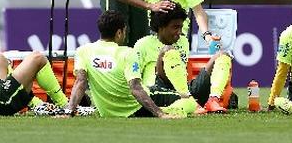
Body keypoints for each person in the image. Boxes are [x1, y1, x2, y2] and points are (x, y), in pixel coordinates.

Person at [65, 10, 196, 118]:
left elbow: (80, 83)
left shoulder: (83, 51)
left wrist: (68, 112)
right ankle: (169, 109)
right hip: (138, 108)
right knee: (190, 102)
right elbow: (136, 89)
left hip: (107, 112)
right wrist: (159, 114)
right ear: (119, 32)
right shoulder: (127, 53)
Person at [133, 4, 232, 114]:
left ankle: (213, 99)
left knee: (222, 55)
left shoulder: (183, 42)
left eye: (181, 27)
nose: (179, 32)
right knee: (168, 50)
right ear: (161, 27)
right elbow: (135, 79)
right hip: (158, 91)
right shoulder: (143, 44)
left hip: (184, 90)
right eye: (175, 27)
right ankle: (188, 101)